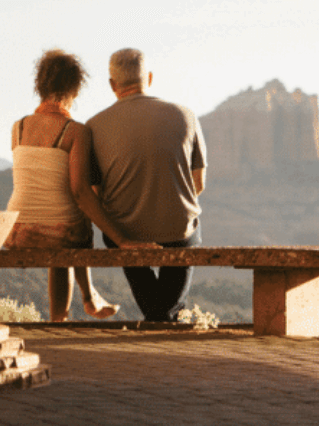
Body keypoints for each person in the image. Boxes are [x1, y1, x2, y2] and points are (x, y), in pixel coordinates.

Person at [4, 49, 154, 322]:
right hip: (61, 234)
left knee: (62, 223)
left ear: (40, 85)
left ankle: (86, 299)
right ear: (75, 87)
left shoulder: (18, 128)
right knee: (73, 228)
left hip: (15, 231)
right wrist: (121, 239)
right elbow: (80, 192)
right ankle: (68, 312)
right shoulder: (75, 131)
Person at [80, 48, 206, 322]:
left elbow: (95, 193)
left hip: (124, 231)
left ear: (113, 85)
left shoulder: (93, 126)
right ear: (149, 77)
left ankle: (162, 316)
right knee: (188, 232)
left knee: (117, 236)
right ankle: (169, 316)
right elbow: (199, 183)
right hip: (178, 229)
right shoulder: (186, 115)